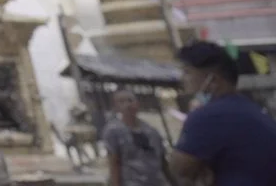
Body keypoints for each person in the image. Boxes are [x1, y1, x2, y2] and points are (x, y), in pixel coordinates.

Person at [170, 40, 276, 186]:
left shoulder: (208, 116)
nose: (182, 79)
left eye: (187, 72)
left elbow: (179, 170)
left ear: (212, 80)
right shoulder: (251, 109)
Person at [104, 90, 170, 186]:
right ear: (116, 107)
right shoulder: (113, 131)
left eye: (130, 100)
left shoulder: (151, 131)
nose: (127, 105)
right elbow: (114, 163)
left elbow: (163, 161)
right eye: (122, 102)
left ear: (137, 104)